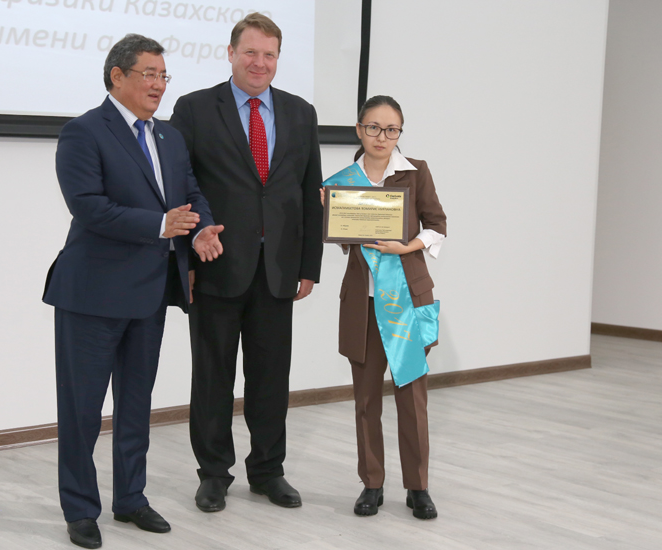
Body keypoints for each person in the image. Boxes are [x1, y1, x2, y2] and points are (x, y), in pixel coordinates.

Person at [42, 34, 224, 549]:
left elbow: (190, 193)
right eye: (149, 74)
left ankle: (131, 499)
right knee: (82, 410)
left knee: (136, 405)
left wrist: (201, 229)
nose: (159, 85)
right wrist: (159, 225)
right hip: (92, 295)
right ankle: (80, 509)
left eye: (164, 76)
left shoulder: (169, 137)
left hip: (149, 293)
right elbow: (88, 206)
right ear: (117, 76)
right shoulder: (83, 132)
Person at [169, 13, 323, 513]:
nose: (260, 63)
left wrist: (310, 264)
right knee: (212, 378)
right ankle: (214, 474)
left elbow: (309, 192)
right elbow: (177, 185)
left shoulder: (300, 113)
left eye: (269, 54)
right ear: (231, 53)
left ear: (278, 59)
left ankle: (268, 471)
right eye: (251, 52)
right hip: (215, 266)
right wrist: (187, 256)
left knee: (271, 380)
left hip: (278, 269)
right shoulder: (194, 109)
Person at [321, 96, 447, 519]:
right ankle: (371, 483)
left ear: (399, 133)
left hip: (408, 301)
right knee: (366, 399)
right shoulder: (340, 182)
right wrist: (328, 214)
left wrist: (406, 246)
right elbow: (342, 240)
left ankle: (418, 487)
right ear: (359, 129)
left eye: (391, 129)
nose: (382, 137)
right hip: (364, 304)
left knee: (412, 399)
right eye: (373, 127)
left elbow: (437, 225)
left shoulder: (416, 172)